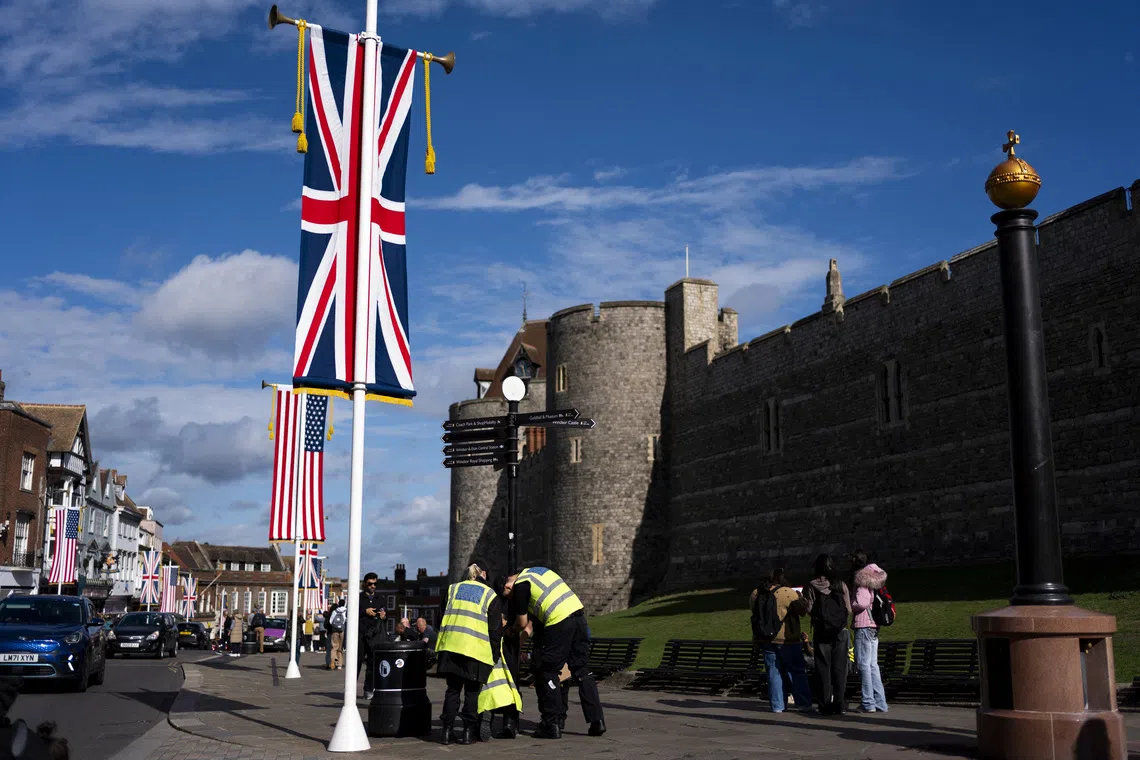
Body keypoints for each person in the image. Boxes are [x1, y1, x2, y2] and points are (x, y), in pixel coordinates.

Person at [504, 566, 605, 739]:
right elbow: (533, 623)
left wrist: (511, 632)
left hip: (559, 621)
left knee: (547, 671)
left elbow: (521, 623)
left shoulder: (521, 585)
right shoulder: (539, 572)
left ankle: (551, 723)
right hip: (578, 616)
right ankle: (597, 721)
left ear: (508, 585)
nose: (511, 599)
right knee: (581, 670)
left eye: (509, 595)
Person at [435, 560, 502, 745]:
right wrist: (494, 656)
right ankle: (467, 732)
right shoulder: (490, 595)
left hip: (451, 647)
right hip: (476, 650)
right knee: (472, 693)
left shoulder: (452, 589)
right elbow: (495, 630)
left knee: (453, 691)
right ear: (484, 574)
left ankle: (446, 731)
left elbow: (439, 618)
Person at [749, 567, 812, 713]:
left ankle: (777, 705)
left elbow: (754, 613)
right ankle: (803, 703)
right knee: (797, 671)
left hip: (765, 638)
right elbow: (803, 611)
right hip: (787, 638)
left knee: (773, 672)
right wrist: (801, 598)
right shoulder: (787, 592)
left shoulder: (756, 593)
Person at [801, 553, 853, 715]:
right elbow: (848, 609)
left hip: (822, 630)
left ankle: (824, 704)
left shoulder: (811, 585)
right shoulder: (840, 584)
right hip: (841, 631)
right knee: (840, 668)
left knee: (823, 667)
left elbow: (808, 609)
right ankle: (839, 703)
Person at [850, 550, 889, 713]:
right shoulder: (875, 576)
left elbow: (862, 602)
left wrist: (850, 604)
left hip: (864, 624)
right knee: (872, 665)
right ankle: (880, 702)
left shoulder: (862, 578)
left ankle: (868, 702)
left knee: (863, 665)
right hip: (874, 625)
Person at [358, 573, 385, 700]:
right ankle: (350, 689)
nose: (373, 586)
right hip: (360, 633)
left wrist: (384, 616)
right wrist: (365, 611)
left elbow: (386, 615)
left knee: (372, 663)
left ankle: (368, 689)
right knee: (356, 662)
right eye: (370, 583)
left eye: (375, 584)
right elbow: (351, 612)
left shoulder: (380, 598)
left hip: (374, 634)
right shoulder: (358, 597)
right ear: (365, 583)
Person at [328, 599, 347, 670]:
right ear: (344, 604)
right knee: (340, 648)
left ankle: (333, 661)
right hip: (342, 630)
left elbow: (330, 621)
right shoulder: (346, 610)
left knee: (334, 647)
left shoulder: (334, 611)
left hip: (335, 630)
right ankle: (340, 664)